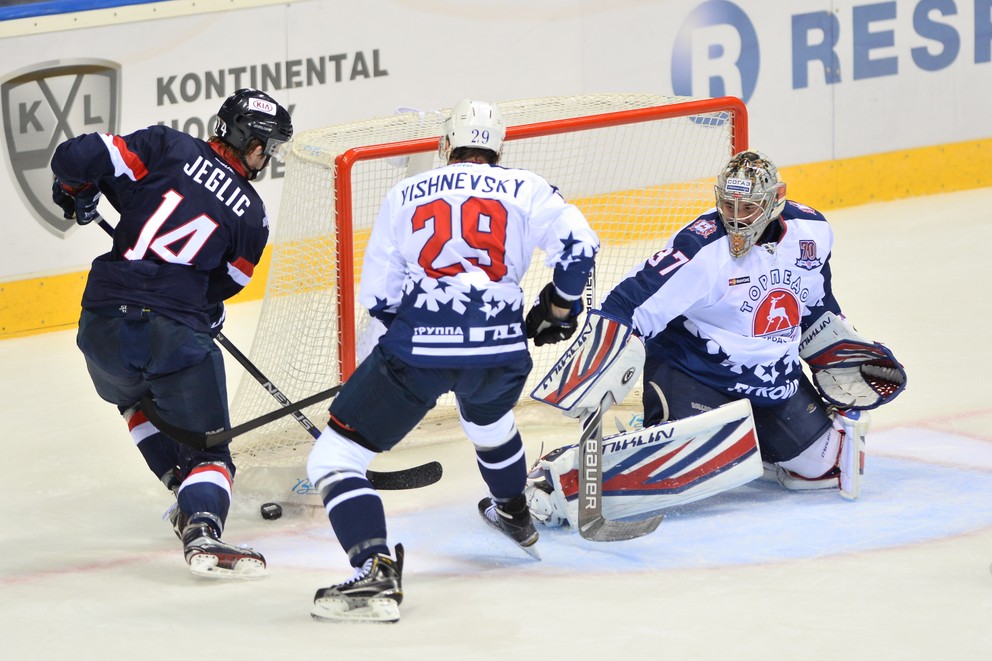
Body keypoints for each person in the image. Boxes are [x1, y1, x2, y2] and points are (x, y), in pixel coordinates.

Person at [306, 98, 599, 623]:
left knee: (334, 458)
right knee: (488, 419)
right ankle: (513, 510)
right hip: (501, 351)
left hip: (419, 349)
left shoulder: (405, 191)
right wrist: (557, 307)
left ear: (446, 146)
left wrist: (391, 362)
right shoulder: (527, 186)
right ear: (497, 148)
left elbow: (380, 294)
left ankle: (373, 571)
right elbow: (579, 248)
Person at [526, 150, 906, 528]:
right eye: (728, 205)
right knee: (688, 468)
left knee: (825, 464)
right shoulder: (701, 249)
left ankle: (761, 444)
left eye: (749, 208)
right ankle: (559, 469)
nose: (736, 219)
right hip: (697, 373)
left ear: (776, 199)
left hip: (774, 382)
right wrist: (603, 359)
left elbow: (816, 304)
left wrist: (835, 347)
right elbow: (628, 302)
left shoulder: (812, 233)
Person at [50, 88, 293, 579]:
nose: (268, 157)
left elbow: (72, 157)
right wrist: (203, 313)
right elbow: (224, 284)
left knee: (134, 399)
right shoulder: (251, 213)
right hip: (174, 327)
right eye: (266, 145)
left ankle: (181, 490)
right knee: (211, 453)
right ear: (248, 140)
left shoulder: (166, 147)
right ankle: (202, 526)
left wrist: (77, 189)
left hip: (100, 321)